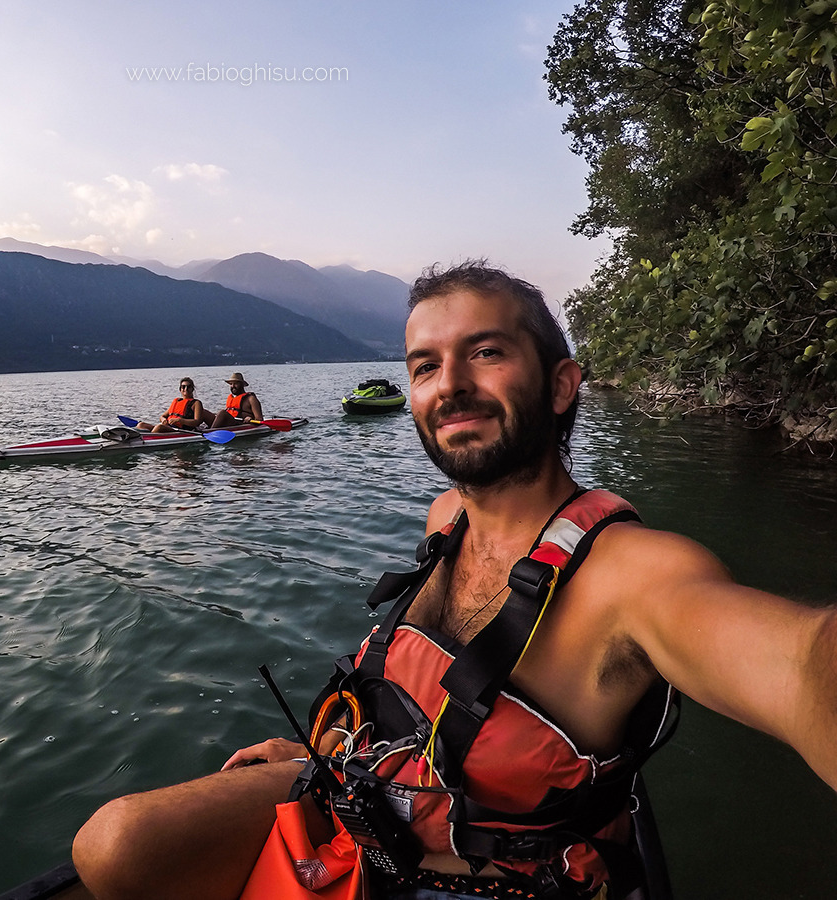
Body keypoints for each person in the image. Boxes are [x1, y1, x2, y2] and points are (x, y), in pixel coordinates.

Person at [72, 261, 837, 900]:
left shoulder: (637, 575)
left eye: (486, 353)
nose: (451, 385)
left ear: (562, 385)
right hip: (369, 797)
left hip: (496, 877)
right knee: (118, 846)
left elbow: (804, 669)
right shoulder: (446, 518)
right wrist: (325, 750)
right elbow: (415, 698)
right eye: (426, 365)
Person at [136, 377, 214, 432]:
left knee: (159, 427)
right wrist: (163, 420)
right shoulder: (177, 401)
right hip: (169, 427)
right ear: (180, 389)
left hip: (182, 430)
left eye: (188, 387)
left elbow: (197, 421)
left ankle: (148, 438)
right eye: (183, 387)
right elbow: (162, 416)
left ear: (192, 389)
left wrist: (180, 420)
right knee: (141, 425)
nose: (185, 389)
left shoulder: (196, 403)